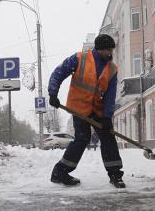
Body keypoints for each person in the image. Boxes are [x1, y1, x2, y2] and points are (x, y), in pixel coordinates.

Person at [47, 34, 125, 188]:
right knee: (82, 138)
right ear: (100, 49)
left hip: (98, 109)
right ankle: (60, 172)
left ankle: (116, 175)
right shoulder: (79, 59)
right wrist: (53, 93)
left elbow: (110, 95)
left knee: (108, 137)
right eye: (108, 50)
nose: (111, 53)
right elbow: (59, 72)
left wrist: (107, 117)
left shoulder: (112, 69)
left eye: (112, 50)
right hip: (79, 107)